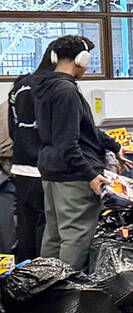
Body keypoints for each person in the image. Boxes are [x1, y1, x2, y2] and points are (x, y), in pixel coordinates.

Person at [32, 35, 117, 270]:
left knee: (54, 234)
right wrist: (91, 175)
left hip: (52, 170)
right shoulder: (66, 91)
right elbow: (69, 142)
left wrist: (116, 146)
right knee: (75, 236)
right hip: (74, 175)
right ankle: (67, 289)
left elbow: (82, 129)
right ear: (82, 59)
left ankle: (47, 284)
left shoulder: (45, 87)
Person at [6, 49, 50, 261]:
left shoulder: (17, 90)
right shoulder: (49, 88)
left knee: (25, 225)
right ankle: (43, 272)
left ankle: (24, 273)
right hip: (43, 168)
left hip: (21, 167)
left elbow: (13, 130)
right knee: (46, 226)